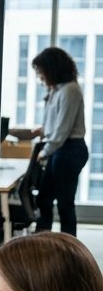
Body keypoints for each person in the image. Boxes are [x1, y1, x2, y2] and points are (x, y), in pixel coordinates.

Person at [30, 47, 88, 236]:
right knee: (44, 199)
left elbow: (62, 130)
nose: (40, 76)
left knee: (64, 203)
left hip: (70, 149)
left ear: (52, 68)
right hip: (60, 148)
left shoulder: (70, 90)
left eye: (41, 71)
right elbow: (54, 122)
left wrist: (44, 151)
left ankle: (69, 248)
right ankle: (41, 241)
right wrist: (43, 130)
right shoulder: (57, 89)